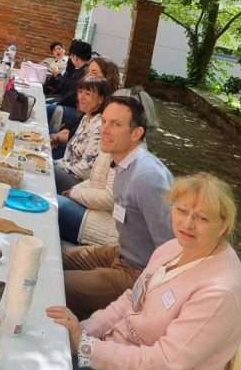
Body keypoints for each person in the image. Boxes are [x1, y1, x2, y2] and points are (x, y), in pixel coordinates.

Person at [47, 173, 241, 370]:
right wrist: (85, 331)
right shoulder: (174, 248)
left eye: (202, 218)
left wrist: (86, 348)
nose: (187, 223)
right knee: (51, 346)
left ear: (224, 225)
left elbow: (163, 364)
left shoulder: (220, 292)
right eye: (181, 210)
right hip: (128, 361)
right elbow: (132, 298)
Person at [61, 93, 173, 319]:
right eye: (104, 121)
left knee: (54, 282)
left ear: (136, 134)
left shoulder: (147, 177)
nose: (104, 129)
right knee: (52, 258)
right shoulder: (122, 162)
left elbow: (170, 247)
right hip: (119, 252)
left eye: (115, 124)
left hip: (137, 273)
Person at [52, 75, 110, 189]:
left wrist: (54, 163)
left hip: (80, 184)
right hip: (68, 170)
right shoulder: (86, 118)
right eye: (80, 92)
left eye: (88, 94)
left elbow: (86, 169)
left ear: (101, 99)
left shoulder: (99, 127)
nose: (81, 97)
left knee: (44, 168)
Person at [57, 149, 117, 248]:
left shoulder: (127, 158)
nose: (104, 132)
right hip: (92, 207)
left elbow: (109, 199)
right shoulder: (110, 149)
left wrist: (75, 193)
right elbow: (95, 180)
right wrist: (75, 190)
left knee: (52, 204)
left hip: (105, 223)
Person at [46, 39, 93, 133]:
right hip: (72, 106)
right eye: (54, 50)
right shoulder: (79, 70)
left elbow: (69, 93)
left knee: (47, 108)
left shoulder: (84, 72)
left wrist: (59, 74)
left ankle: (50, 136)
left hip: (76, 110)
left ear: (74, 57)